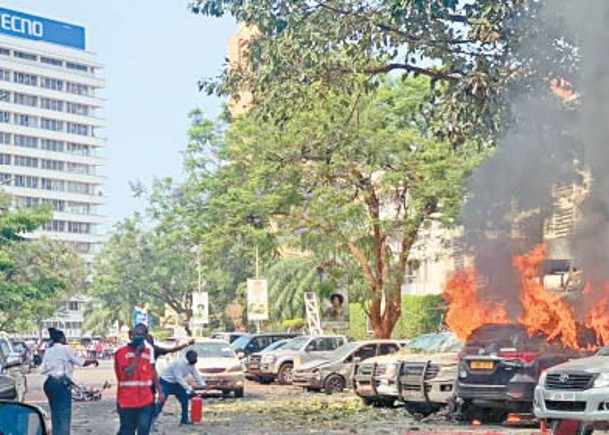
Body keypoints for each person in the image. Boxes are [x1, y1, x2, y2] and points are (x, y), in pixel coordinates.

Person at [41, 327, 99, 435]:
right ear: (62, 338)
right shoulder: (66, 349)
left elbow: (43, 369)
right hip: (61, 383)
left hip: (49, 383)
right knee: (64, 414)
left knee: (55, 413)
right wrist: (93, 361)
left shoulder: (49, 350)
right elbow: (81, 362)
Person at [115, 325, 164, 435]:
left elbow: (152, 372)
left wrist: (160, 391)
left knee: (144, 429)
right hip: (127, 401)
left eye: (142, 335)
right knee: (127, 431)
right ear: (131, 336)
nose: (139, 337)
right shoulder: (122, 353)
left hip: (145, 399)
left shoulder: (148, 352)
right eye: (137, 334)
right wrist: (137, 355)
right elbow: (128, 372)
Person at [155, 349, 206, 425]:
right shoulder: (179, 363)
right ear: (188, 357)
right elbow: (179, 378)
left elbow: (196, 375)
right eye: (193, 357)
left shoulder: (191, 365)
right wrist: (189, 389)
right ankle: (152, 419)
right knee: (161, 401)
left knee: (184, 399)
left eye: (196, 357)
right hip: (166, 381)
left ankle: (184, 420)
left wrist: (203, 385)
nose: (195, 359)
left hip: (176, 383)